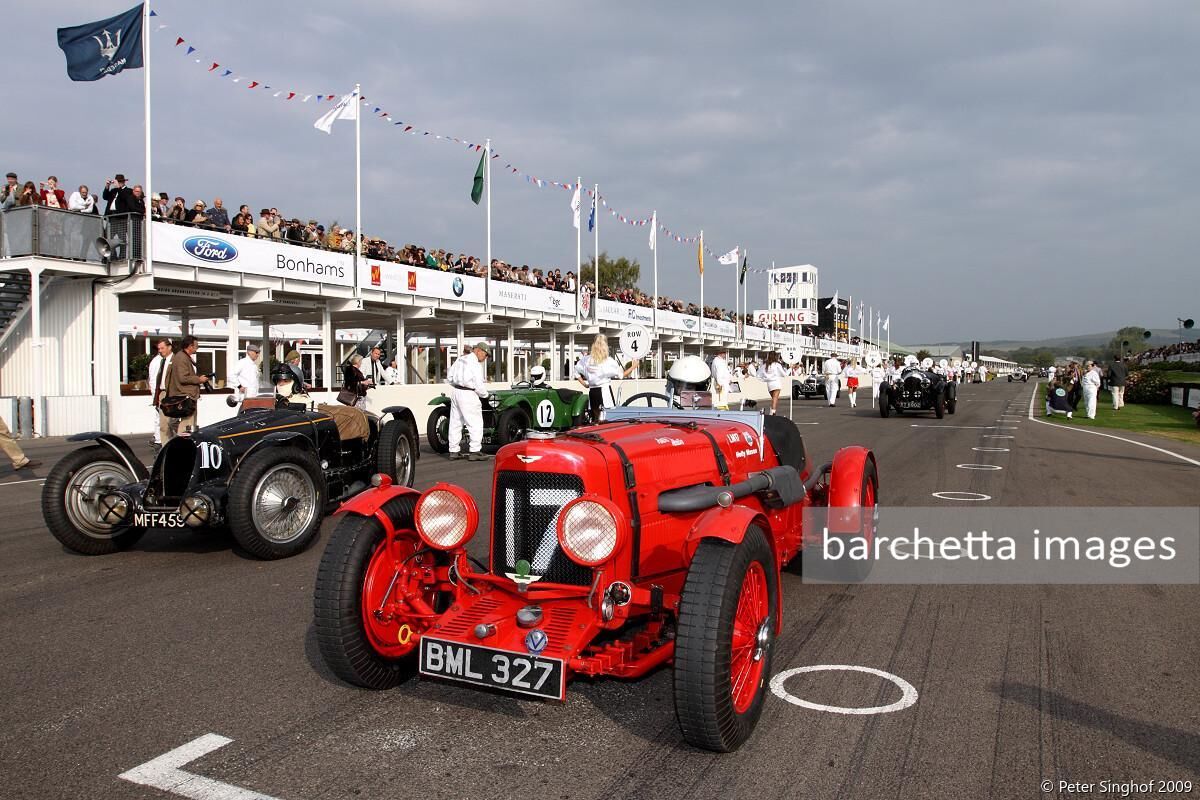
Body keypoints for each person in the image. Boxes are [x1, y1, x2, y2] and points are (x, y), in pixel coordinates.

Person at [575, 335, 636, 422]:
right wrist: (633, 366)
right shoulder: (609, 361)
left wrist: (585, 384)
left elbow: (576, 372)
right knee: (604, 419)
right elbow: (621, 375)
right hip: (604, 391)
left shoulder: (585, 360)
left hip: (592, 391)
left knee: (596, 418)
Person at [447, 343, 492, 461]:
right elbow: (479, 385)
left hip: (456, 391)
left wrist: (457, 386)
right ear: (479, 351)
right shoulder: (475, 364)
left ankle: (454, 450)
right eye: (486, 355)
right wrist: (486, 395)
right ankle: (475, 451)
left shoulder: (460, 359)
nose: (485, 358)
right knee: (475, 423)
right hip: (468, 394)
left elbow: (450, 377)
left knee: (455, 423)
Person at [160, 336, 209, 443]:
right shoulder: (181, 357)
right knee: (187, 424)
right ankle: (182, 446)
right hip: (185, 396)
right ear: (190, 346)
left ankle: (181, 444)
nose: (197, 348)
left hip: (185, 395)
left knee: (183, 423)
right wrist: (199, 379)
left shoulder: (183, 356)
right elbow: (183, 377)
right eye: (196, 346)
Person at [147, 338, 172, 452]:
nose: (160, 351)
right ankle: (159, 441)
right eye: (159, 349)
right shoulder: (156, 361)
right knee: (161, 418)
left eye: (162, 348)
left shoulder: (169, 359)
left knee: (166, 419)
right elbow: (153, 380)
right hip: (160, 393)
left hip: (168, 393)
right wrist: (155, 396)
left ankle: (161, 440)